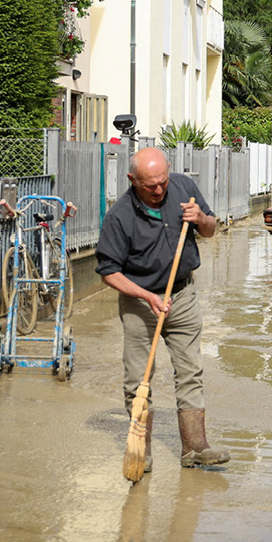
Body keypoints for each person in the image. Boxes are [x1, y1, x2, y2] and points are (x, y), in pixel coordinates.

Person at [95, 147, 229, 472]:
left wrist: (202, 220)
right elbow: (109, 272)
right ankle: (141, 450)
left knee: (190, 371)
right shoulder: (120, 216)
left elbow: (212, 229)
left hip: (182, 294)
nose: (159, 190)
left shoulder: (182, 187)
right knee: (138, 378)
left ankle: (195, 447)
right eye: (150, 185)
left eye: (162, 181)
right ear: (132, 180)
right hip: (140, 301)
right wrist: (146, 296)